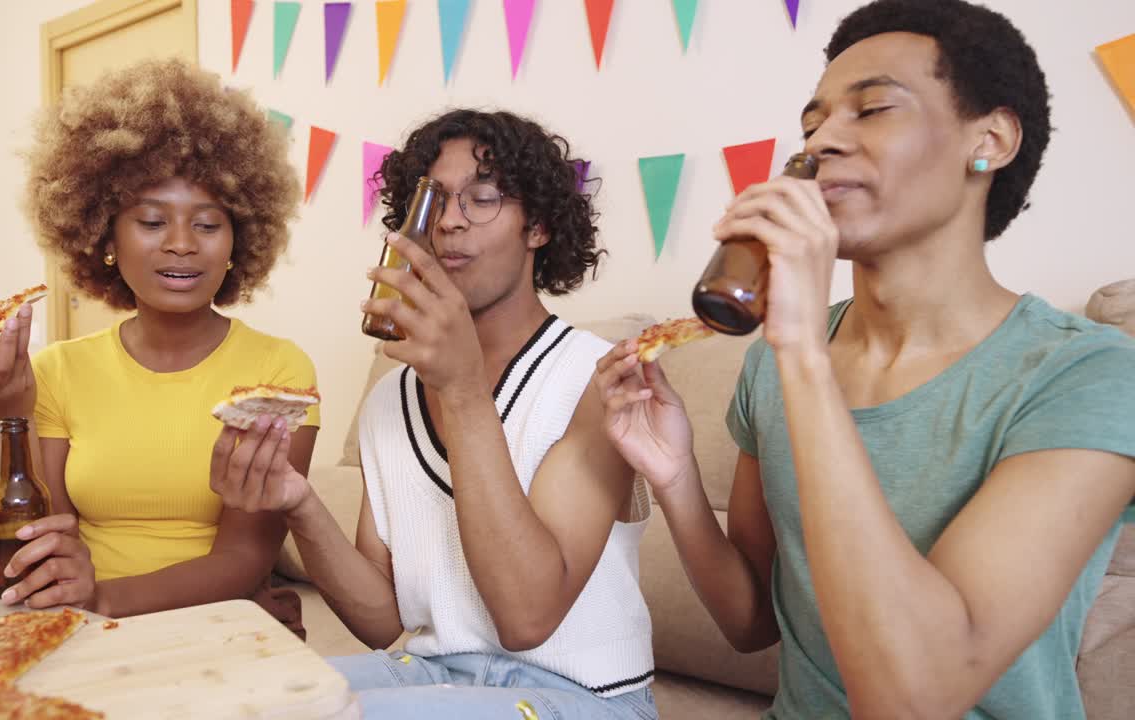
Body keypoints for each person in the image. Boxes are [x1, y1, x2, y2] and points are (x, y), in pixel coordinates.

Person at [595, 1, 1135, 717]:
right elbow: (752, 623)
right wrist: (676, 480)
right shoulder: (774, 365)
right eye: (812, 124)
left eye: (873, 108)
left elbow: (914, 696)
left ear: (992, 139)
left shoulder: (1090, 376)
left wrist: (804, 362)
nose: (824, 143)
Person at [213, 109, 658, 719]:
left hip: (582, 698)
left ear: (541, 227)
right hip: (432, 675)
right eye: (435, 200)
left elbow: (527, 617)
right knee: (226, 698)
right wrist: (298, 502)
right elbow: (380, 620)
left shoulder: (599, 377)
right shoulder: (389, 397)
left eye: (483, 198)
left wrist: (465, 391)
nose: (451, 221)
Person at [0, 58, 314, 635]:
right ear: (104, 237)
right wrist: (0, 421)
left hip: (215, 626)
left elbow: (246, 560)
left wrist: (99, 598)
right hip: (86, 630)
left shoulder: (276, 370)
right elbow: (25, 554)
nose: (181, 245)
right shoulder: (58, 370)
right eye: (151, 221)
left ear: (237, 241)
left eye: (207, 225)